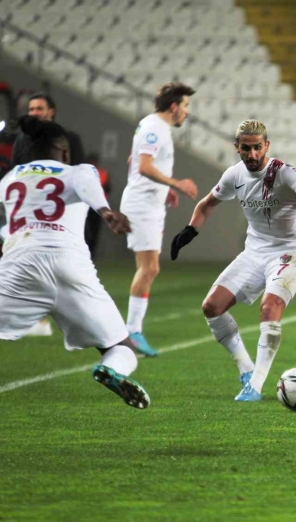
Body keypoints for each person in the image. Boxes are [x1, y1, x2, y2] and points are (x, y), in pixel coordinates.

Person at [170, 120, 296, 402]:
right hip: (255, 252)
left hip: (292, 251)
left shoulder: (283, 172)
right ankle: (245, 368)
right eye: (246, 148)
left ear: (267, 146)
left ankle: (255, 384)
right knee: (211, 307)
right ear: (237, 148)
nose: (252, 154)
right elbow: (206, 203)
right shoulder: (234, 175)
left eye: (257, 148)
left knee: (270, 306)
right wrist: (190, 229)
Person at [0, 116, 150, 409]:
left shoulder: (10, 179)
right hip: (71, 268)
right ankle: (112, 370)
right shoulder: (79, 171)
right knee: (122, 348)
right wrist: (106, 212)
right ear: (64, 152)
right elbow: (83, 183)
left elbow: (9, 227)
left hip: (20, 266)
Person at [120, 82, 199, 357]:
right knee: (149, 268)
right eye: (186, 106)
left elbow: (134, 159)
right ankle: (131, 332)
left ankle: (131, 331)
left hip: (150, 203)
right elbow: (142, 165)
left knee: (150, 268)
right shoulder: (155, 127)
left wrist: (164, 190)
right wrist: (176, 184)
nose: (187, 112)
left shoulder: (153, 126)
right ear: (174, 106)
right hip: (142, 206)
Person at [7, 92, 87, 337]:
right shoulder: (21, 140)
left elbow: (80, 172)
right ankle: (38, 317)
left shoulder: (68, 138)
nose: (34, 113)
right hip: (30, 213)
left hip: (62, 211)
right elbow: (15, 171)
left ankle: (75, 313)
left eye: (39, 108)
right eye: (31, 109)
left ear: (51, 111)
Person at [83, 153, 111, 260]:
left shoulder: (102, 173)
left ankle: (91, 254)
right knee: (86, 230)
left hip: (98, 207)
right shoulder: (83, 174)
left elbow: (108, 188)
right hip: (86, 205)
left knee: (94, 231)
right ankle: (86, 253)